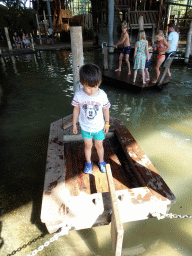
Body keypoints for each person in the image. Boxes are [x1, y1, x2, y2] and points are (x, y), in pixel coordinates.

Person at [71, 64, 111, 174]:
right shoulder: (78, 94)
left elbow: (106, 109)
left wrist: (107, 124)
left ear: (99, 82)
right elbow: (76, 109)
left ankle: (101, 161)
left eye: (95, 87)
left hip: (99, 127)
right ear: (82, 82)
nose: (91, 91)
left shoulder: (102, 95)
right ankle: (88, 162)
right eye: (88, 87)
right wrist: (74, 124)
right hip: (85, 127)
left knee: (99, 145)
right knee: (88, 146)